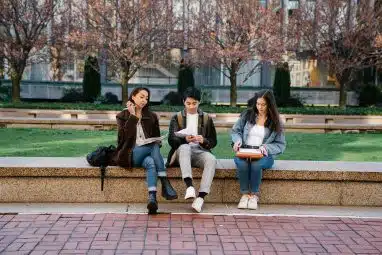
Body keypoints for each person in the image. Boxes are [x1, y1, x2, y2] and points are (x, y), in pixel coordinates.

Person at [112, 87, 177, 214]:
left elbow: (156, 139)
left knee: (151, 162)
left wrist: (158, 141)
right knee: (153, 147)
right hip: (129, 154)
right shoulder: (122, 115)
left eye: (146, 98)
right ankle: (164, 181)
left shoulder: (151, 116)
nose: (144, 100)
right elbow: (122, 138)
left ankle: (152, 198)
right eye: (141, 97)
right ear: (133, 97)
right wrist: (133, 116)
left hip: (147, 153)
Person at [231, 90, 286, 210]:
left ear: (270, 105)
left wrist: (266, 147)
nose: (260, 107)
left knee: (256, 165)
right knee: (242, 164)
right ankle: (245, 195)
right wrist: (237, 140)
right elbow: (236, 131)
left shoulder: (276, 122)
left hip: (263, 155)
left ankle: (254, 196)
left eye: (263, 105)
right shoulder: (247, 114)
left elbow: (280, 145)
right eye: (258, 104)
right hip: (244, 151)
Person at [166, 87, 217, 213]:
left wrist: (204, 140)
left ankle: (200, 198)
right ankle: (189, 186)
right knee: (184, 148)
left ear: (199, 102)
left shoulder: (206, 118)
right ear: (184, 102)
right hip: (181, 153)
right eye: (188, 103)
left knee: (211, 159)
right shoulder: (177, 117)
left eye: (194, 103)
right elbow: (171, 140)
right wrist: (185, 140)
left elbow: (214, 141)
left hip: (199, 151)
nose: (191, 106)